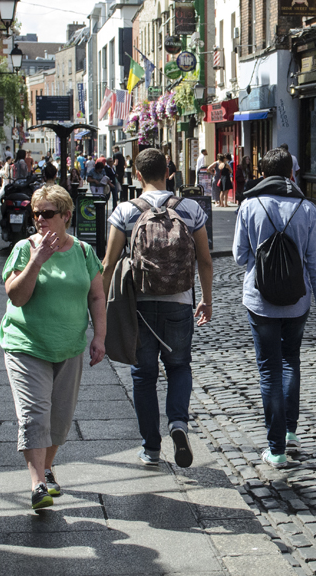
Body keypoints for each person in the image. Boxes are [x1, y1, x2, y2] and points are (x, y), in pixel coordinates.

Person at [102, 148, 213, 467]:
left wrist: (99, 312)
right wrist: (206, 298)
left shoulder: (125, 211)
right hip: (179, 303)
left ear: (137, 175)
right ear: (169, 172)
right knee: (179, 366)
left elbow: (108, 264)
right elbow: (204, 259)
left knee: (143, 375)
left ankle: (151, 448)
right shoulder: (190, 208)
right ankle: (178, 422)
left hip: (139, 307)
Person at [0, 184, 106, 511]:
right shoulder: (23, 248)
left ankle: (47, 466)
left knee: (59, 418)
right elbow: (16, 296)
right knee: (34, 415)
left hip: (69, 346)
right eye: (36, 214)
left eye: (48, 214)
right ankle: (37, 484)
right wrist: (38, 260)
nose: (41, 220)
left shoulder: (84, 253)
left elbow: (96, 296)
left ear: (66, 216)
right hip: (26, 344)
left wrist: (99, 337)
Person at [233, 147, 316, 469]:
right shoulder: (306, 208)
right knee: (291, 360)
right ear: (292, 172)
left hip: (260, 301)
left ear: (262, 173)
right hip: (298, 301)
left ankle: (275, 450)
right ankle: (290, 432)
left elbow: (238, 255)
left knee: (268, 369)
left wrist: (262, 263)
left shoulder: (249, 205)